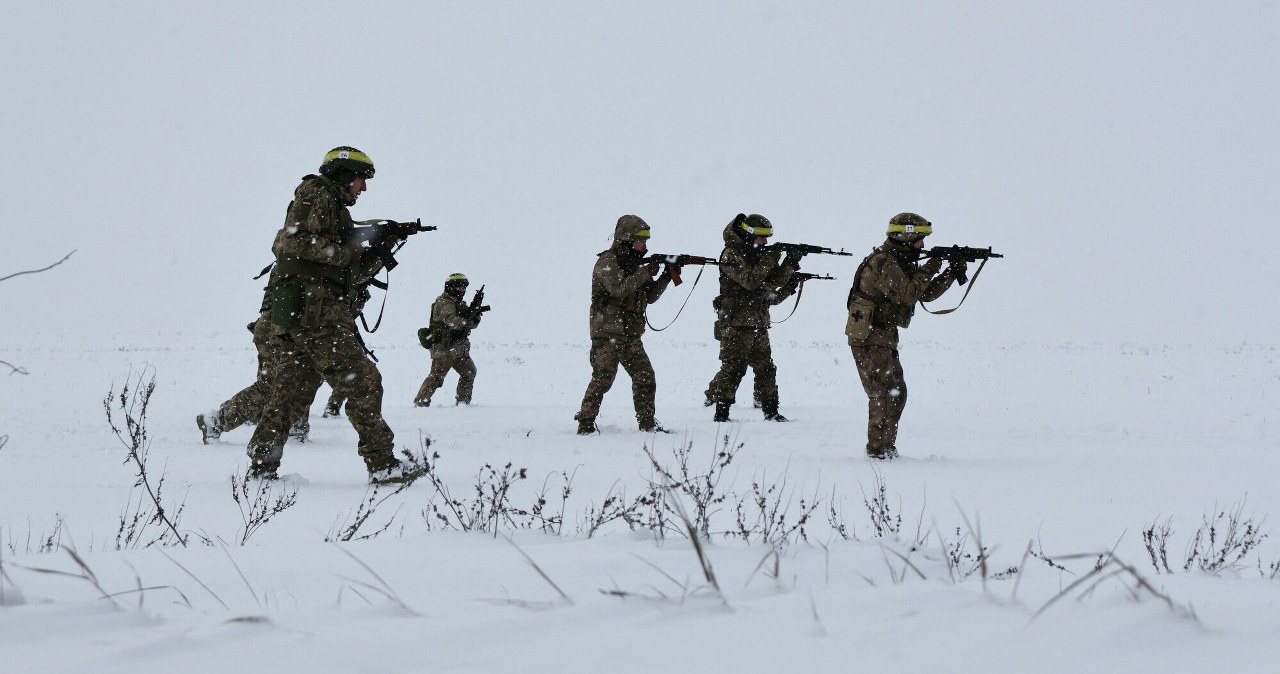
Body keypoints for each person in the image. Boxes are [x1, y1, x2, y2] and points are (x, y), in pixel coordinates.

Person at [245, 146, 417, 484]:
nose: (363, 188)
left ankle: (262, 464)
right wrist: (345, 251)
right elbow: (288, 244)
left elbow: (352, 272)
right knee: (364, 383)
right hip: (315, 311)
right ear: (343, 175)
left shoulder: (334, 208)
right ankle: (382, 464)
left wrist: (386, 245)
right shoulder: (316, 193)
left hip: (309, 312)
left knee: (289, 390)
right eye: (360, 180)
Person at [845, 212, 963, 460]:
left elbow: (924, 294)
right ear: (906, 237)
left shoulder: (899, 261)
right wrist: (932, 265)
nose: (923, 246)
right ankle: (878, 452)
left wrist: (951, 273)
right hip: (870, 337)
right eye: (920, 240)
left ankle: (886, 447)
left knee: (897, 392)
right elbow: (909, 293)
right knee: (882, 393)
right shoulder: (883, 263)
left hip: (883, 337)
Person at [573, 215, 677, 435]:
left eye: (646, 241)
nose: (645, 245)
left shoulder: (637, 264)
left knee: (645, 376)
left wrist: (666, 277)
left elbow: (649, 296)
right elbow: (619, 289)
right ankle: (585, 423)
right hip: (607, 331)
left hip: (630, 332)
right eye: (641, 241)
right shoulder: (607, 261)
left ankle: (647, 423)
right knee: (603, 378)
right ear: (627, 239)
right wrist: (645, 272)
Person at [704, 213, 803, 423]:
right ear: (749, 235)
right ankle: (722, 413)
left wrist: (790, 262)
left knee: (766, 368)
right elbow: (750, 280)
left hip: (757, 321)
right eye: (761, 237)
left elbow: (773, 280)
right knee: (734, 369)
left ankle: (771, 411)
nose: (765, 242)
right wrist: (772, 256)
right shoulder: (731, 254)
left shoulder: (757, 254)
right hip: (737, 322)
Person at [196, 312, 320, 444]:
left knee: (302, 381)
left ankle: (293, 428)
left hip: (296, 332)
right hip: (279, 332)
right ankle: (216, 421)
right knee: (270, 387)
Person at [413, 273, 482, 407]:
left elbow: (469, 323)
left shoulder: (458, 303)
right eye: (459, 287)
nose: (462, 290)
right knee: (436, 377)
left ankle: (463, 402)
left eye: (463, 287)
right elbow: (452, 321)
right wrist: (469, 321)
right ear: (451, 287)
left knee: (469, 372)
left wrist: (475, 315)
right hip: (444, 348)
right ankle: (420, 402)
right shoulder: (444, 303)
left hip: (458, 348)